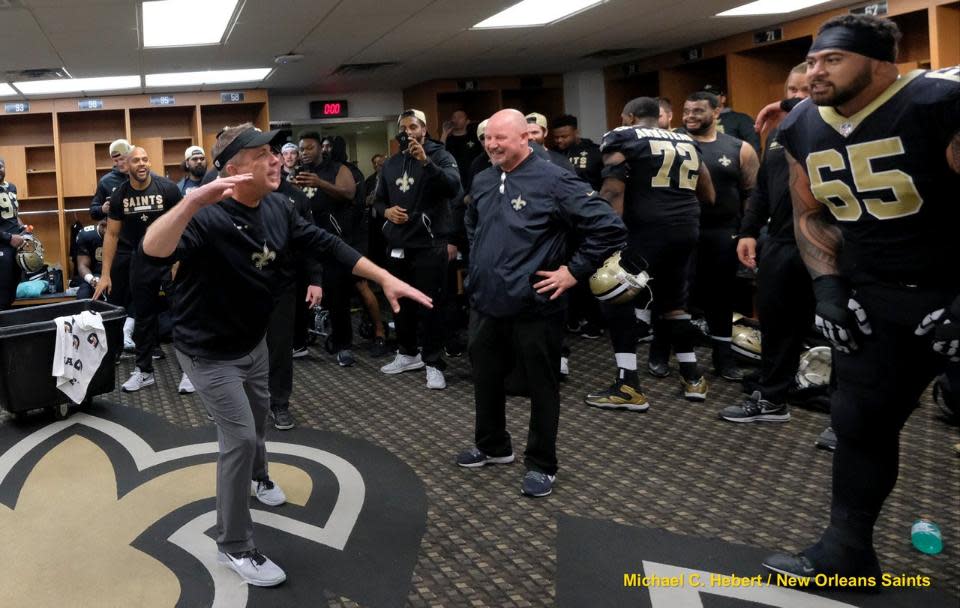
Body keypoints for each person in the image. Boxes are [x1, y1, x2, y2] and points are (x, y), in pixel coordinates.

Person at [140, 123, 431, 588]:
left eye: (275, 152)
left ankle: (260, 478)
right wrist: (192, 200)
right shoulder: (206, 216)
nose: (276, 159)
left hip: (253, 343)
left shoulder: (278, 205)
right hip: (208, 354)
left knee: (257, 425)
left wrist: (383, 277)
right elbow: (153, 250)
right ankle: (234, 546)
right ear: (232, 170)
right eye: (261, 155)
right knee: (237, 439)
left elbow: (329, 245)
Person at [760, 15, 960, 583]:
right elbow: (809, 213)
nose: (814, 71)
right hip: (878, 295)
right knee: (859, 423)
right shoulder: (803, 124)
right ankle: (847, 551)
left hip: (951, 290)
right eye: (813, 60)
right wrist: (828, 286)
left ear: (879, 63)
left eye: (832, 60)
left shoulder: (937, 105)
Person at [456, 109, 626, 498]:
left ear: (525, 139)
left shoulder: (554, 178)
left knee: (541, 385)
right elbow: (472, 220)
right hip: (486, 301)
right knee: (484, 376)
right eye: (488, 138)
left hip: (536, 303)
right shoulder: (483, 178)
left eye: (501, 138)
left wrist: (572, 272)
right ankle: (492, 446)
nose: (492, 145)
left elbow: (609, 227)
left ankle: (542, 463)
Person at [586, 97, 715, 409]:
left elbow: (614, 190)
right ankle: (693, 378)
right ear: (659, 116)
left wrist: (609, 239)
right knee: (674, 304)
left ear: (629, 116)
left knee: (614, 295)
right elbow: (709, 194)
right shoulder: (685, 139)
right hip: (686, 229)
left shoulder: (623, 137)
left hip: (646, 231)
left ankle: (628, 385)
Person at [721, 63, 811, 423]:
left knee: (839, 331)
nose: (796, 97)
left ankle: (846, 417)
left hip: (827, 244)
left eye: (805, 91)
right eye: (792, 90)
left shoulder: (834, 126)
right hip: (779, 241)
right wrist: (748, 230)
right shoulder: (779, 131)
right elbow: (760, 188)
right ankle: (773, 399)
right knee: (775, 323)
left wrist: (790, 106)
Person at [675, 91, 759, 382]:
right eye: (686, 111)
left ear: (717, 112)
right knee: (677, 296)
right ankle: (665, 354)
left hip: (723, 233)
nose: (689, 117)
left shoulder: (739, 148)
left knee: (721, 297)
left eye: (697, 111)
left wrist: (750, 233)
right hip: (684, 231)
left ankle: (724, 358)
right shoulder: (674, 143)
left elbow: (753, 195)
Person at [375, 109, 461, 390]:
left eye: (414, 126)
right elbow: (376, 202)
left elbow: (452, 188)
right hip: (399, 245)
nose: (408, 131)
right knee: (399, 303)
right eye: (404, 127)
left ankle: (433, 362)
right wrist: (386, 211)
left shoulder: (440, 156)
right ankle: (408, 352)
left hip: (429, 243)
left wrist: (426, 163)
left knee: (429, 305)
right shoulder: (391, 164)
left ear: (424, 129)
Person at [93, 146, 188, 393]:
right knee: (144, 318)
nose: (142, 164)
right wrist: (105, 275)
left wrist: (180, 261)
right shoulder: (120, 195)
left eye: (145, 159)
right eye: (136, 160)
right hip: (141, 262)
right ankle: (144, 371)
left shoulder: (167, 188)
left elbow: (183, 225)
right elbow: (112, 234)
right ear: (127, 165)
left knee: (181, 314)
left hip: (170, 260)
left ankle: (190, 370)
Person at [293, 131, 357, 364]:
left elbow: (349, 193)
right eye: (301, 149)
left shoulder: (338, 169)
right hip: (305, 246)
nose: (304, 153)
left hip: (331, 243)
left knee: (337, 298)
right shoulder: (298, 173)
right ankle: (299, 343)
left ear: (321, 148)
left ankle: (344, 346)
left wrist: (320, 183)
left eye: (309, 148)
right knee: (302, 297)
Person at [701, 84, 762, 152]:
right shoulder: (698, 122)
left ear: (723, 99)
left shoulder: (741, 119)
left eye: (713, 95)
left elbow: (754, 148)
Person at [91, 139, 133, 220]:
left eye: (122, 159)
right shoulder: (105, 181)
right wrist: (102, 209)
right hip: (117, 230)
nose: (119, 163)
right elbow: (93, 212)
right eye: (116, 161)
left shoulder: (142, 176)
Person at [0, 177, 25, 310]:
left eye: (1, 166)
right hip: (2, 246)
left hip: (14, 247)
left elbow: (13, 216)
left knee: (11, 294)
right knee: (2, 296)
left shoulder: (11, 187)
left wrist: (23, 228)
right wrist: (8, 237)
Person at [441, 109, 481, 185]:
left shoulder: (474, 138)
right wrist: (444, 134)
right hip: (455, 179)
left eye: (459, 117)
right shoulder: (448, 139)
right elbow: (440, 153)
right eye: (454, 117)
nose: (456, 120)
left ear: (467, 121)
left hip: (473, 178)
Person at [75, 219, 106, 300]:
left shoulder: (122, 234)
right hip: (94, 274)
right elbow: (82, 265)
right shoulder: (86, 235)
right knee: (83, 295)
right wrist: (92, 280)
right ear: (102, 225)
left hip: (116, 275)